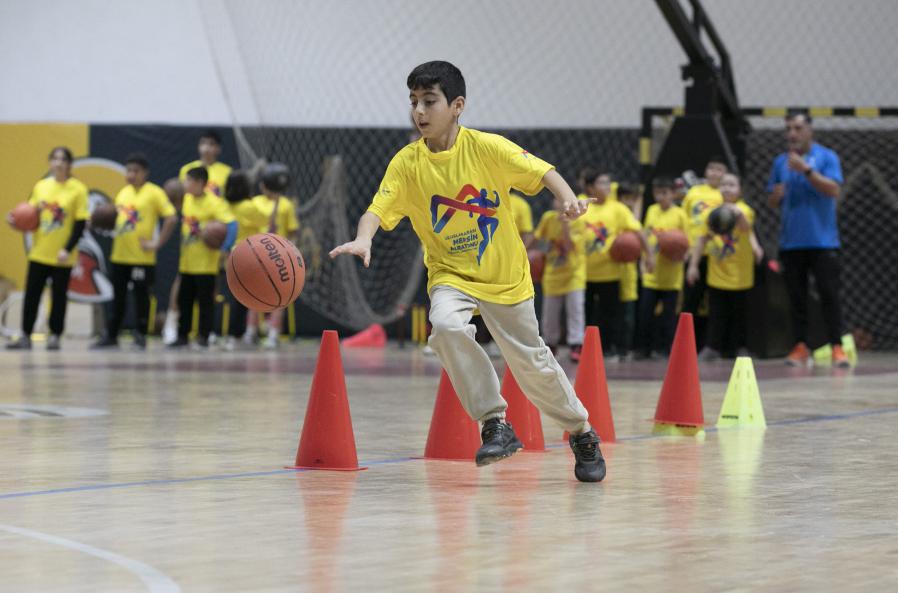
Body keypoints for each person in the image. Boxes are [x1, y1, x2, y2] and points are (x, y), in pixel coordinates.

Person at [329, 61, 605, 482]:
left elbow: (543, 171)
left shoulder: (487, 147)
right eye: (414, 102)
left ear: (457, 106)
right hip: (450, 275)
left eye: (429, 101)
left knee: (534, 368)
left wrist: (568, 200)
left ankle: (581, 431)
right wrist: (364, 238)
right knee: (444, 326)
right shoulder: (407, 163)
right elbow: (377, 209)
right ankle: (495, 422)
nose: (419, 111)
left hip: (505, 276)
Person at [767, 111, 848, 368]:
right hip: (791, 242)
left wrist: (807, 171)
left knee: (829, 295)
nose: (792, 133)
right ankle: (800, 346)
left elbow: (834, 189)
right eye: (789, 128)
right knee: (796, 298)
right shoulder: (781, 162)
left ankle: (837, 347)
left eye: (798, 128)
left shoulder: (826, 157)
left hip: (823, 241)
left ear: (810, 130)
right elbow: (772, 200)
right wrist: (776, 196)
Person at [91, 154, 177, 349]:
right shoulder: (123, 193)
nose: (131, 174)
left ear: (145, 173)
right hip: (119, 256)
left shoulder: (154, 192)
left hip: (142, 258)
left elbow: (171, 218)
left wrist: (157, 243)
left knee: (141, 298)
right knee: (117, 297)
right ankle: (111, 335)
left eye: (135, 171)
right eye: (128, 170)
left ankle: (140, 336)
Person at [6, 147, 88, 350]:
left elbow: (80, 225)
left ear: (69, 164)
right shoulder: (41, 186)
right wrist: (16, 222)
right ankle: (25, 334)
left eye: (63, 159)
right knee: (32, 294)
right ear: (49, 162)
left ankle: (55, 335)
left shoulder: (78, 189)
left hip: (62, 256)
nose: (58, 163)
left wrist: (67, 250)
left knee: (59, 297)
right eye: (54, 159)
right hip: (39, 252)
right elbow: (31, 217)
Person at [687, 173, 763, 360]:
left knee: (740, 315)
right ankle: (712, 347)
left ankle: (741, 348)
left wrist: (736, 212)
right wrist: (693, 266)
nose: (727, 188)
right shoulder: (711, 213)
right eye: (724, 184)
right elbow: (702, 239)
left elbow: (745, 228)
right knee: (716, 314)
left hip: (740, 274)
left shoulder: (745, 210)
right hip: (718, 273)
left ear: (740, 190)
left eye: (732, 184)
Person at [580, 168, 650, 361]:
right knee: (586, 314)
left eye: (609, 182)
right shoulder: (581, 206)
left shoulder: (618, 209)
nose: (608, 186)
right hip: (582, 273)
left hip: (610, 273)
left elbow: (638, 232)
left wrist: (648, 256)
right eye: (602, 183)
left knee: (609, 315)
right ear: (590, 187)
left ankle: (609, 349)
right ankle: (585, 350)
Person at [169, 167, 236, 349]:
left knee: (206, 303)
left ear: (199, 182)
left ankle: (204, 337)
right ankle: (182, 336)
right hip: (187, 262)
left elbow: (232, 224)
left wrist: (224, 247)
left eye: (188, 180)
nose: (184, 184)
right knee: (185, 301)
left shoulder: (215, 202)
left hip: (206, 264)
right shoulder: (186, 200)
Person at [244, 163, 300, 349]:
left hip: (279, 258)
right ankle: (251, 332)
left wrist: (292, 254)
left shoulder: (286, 205)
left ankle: (273, 333)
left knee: (280, 297)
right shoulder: (255, 203)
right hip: (257, 256)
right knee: (252, 295)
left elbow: (292, 231)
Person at [638, 177, 688, 359]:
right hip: (652, 274)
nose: (660, 197)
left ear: (673, 194)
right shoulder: (651, 210)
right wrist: (644, 260)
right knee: (645, 315)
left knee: (668, 318)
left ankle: (667, 351)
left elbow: (685, 243)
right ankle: (644, 350)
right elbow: (645, 236)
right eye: (657, 193)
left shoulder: (680, 214)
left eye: (664, 193)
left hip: (671, 276)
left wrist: (678, 253)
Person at [681, 156, 728, 348]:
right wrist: (685, 246)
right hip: (695, 253)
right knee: (690, 301)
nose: (714, 173)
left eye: (719, 169)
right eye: (711, 168)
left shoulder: (725, 195)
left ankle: (713, 345)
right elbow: (683, 219)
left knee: (716, 304)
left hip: (719, 256)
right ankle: (684, 345)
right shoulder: (694, 192)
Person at [534, 196, 587, 361]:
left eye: (564, 201)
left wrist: (565, 223)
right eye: (557, 200)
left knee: (575, 311)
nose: (561, 204)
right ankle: (550, 345)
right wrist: (522, 251)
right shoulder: (548, 218)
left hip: (574, 274)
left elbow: (569, 246)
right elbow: (537, 239)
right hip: (552, 273)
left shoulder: (578, 222)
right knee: (550, 315)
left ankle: (576, 345)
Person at [221, 170, 267, 351]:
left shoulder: (224, 205)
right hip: (247, 258)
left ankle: (237, 334)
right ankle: (239, 335)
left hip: (228, 257)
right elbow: (265, 222)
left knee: (234, 298)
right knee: (244, 299)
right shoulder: (249, 206)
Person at [616, 182, 643, 361]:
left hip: (629, 271)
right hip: (612, 270)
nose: (629, 202)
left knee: (628, 313)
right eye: (626, 198)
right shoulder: (618, 213)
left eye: (632, 199)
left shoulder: (631, 218)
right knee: (615, 312)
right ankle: (615, 347)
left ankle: (626, 348)